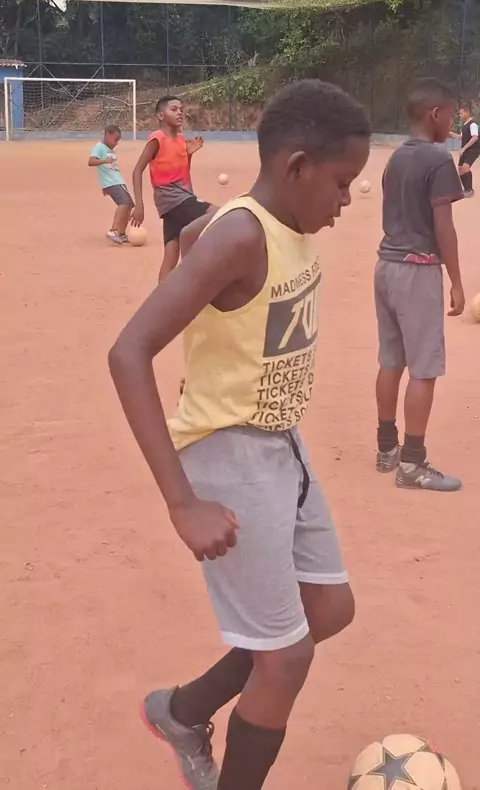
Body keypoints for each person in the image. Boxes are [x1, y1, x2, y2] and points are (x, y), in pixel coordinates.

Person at [109, 79, 371, 790]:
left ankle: (183, 710)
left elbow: (200, 240)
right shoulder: (243, 234)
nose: (347, 200)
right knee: (286, 660)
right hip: (228, 453)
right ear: (297, 167)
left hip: (282, 443)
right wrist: (181, 503)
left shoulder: (270, 226)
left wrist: (202, 242)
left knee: (329, 609)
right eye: (342, 183)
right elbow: (128, 352)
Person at [375, 78, 465, 492]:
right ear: (435, 114)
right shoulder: (438, 159)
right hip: (418, 269)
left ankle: (386, 447)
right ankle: (412, 463)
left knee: (391, 360)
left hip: (387, 265)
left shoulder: (396, 158)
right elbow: (443, 226)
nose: (452, 123)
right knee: (424, 369)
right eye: (450, 115)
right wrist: (457, 281)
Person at [130, 95, 216, 282]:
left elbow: (182, 174)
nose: (180, 113)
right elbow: (137, 170)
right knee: (217, 214)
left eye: (181, 109)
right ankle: (193, 262)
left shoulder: (182, 140)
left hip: (179, 199)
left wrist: (189, 155)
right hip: (172, 198)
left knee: (170, 255)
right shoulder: (157, 139)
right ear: (161, 116)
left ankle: (162, 297)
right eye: (174, 109)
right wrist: (139, 205)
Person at [88, 125, 134, 245]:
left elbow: (109, 168)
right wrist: (105, 161)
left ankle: (122, 233)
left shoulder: (109, 150)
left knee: (129, 205)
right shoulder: (99, 147)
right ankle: (113, 231)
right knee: (124, 203)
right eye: (115, 139)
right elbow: (91, 161)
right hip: (112, 182)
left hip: (117, 181)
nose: (116, 143)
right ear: (107, 135)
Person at [450, 102, 479, 197]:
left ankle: (469, 190)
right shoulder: (465, 125)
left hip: (473, 150)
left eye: (461, 113)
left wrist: (463, 148)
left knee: (465, 168)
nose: (460, 115)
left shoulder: (473, 124)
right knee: (460, 169)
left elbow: (475, 137)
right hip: (465, 150)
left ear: (468, 112)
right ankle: (466, 189)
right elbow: (460, 137)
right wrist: (450, 133)